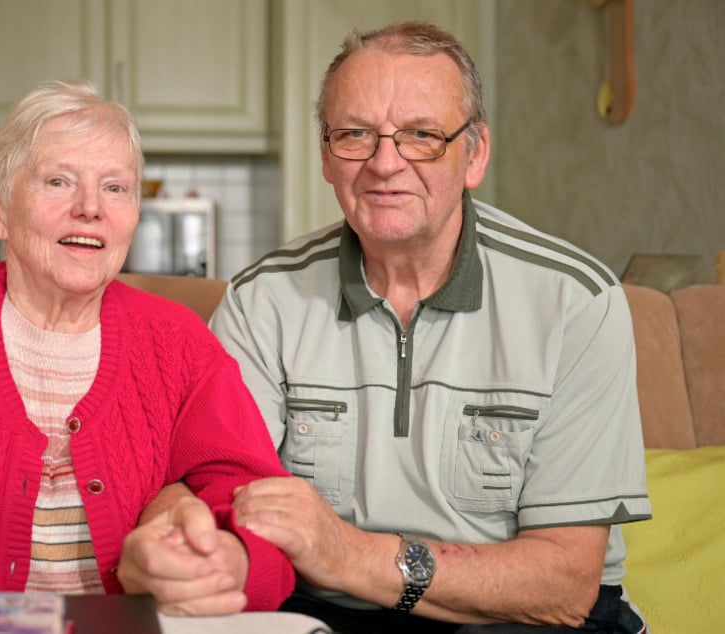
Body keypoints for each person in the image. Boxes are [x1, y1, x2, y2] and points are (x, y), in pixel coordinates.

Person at [212, 21, 652, 633]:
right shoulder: (258, 300)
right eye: (355, 135)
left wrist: (349, 553)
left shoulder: (577, 300)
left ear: (475, 154)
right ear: (325, 155)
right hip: (325, 612)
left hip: (521, 621)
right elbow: (226, 500)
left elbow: (565, 582)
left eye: (421, 136)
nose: (384, 163)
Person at [0, 78, 294, 615]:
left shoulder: (182, 345)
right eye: (58, 181)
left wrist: (230, 559)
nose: (90, 207)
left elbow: (265, 523)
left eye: (115, 187)